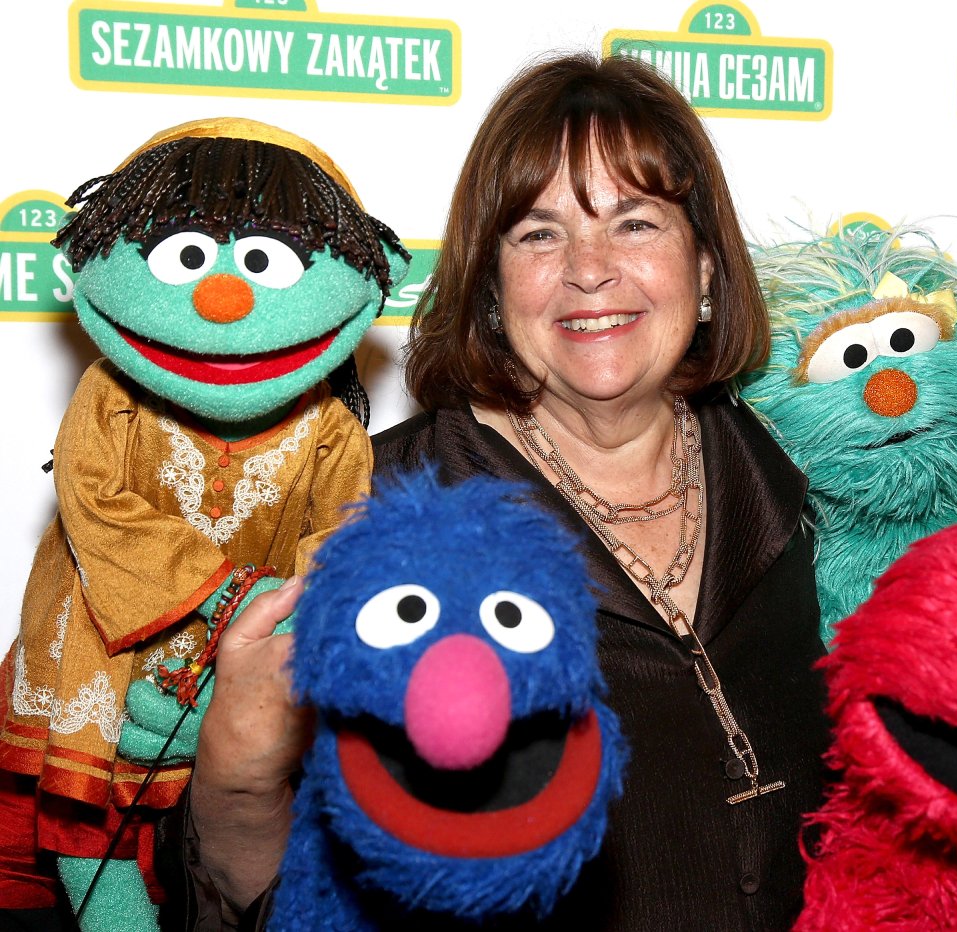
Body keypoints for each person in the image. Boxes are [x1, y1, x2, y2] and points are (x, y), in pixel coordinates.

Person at [168, 52, 831, 930]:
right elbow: (267, 895)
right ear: (490, 285)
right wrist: (237, 782)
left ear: (707, 267)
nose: (589, 269)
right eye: (539, 233)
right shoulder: (378, 508)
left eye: (635, 223)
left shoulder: (804, 478)